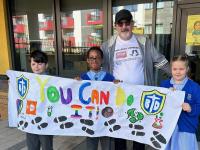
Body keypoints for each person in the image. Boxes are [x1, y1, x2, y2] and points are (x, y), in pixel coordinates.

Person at [101, 9, 170, 150]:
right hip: (118, 97)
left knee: (139, 130)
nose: (124, 26)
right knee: (119, 130)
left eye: (127, 23)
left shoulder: (144, 42)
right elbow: (98, 69)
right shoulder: (107, 46)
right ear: (116, 26)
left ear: (132, 24)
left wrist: (175, 75)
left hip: (141, 95)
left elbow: (159, 60)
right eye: (120, 24)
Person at [76, 46, 117, 150]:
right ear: (87, 60)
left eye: (97, 57)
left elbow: (115, 96)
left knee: (107, 144)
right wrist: (74, 84)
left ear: (102, 60)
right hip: (90, 118)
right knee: (91, 144)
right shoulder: (82, 78)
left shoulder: (110, 78)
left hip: (106, 118)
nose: (94, 60)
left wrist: (118, 86)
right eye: (91, 57)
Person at [160, 55, 200, 150]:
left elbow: (199, 106)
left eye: (181, 69)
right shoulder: (164, 85)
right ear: (171, 69)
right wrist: (167, 96)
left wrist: (190, 108)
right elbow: (158, 107)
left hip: (186, 128)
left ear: (187, 69)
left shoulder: (194, 87)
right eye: (175, 69)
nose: (178, 72)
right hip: (167, 128)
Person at [26, 50, 53, 150]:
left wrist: (76, 83)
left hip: (46, 119)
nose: (36, 66)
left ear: (46, 65)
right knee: (32, 145)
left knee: (47, 145)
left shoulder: (53, 80)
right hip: (30, 119)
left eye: (40, 63)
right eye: (33, 63)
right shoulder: (28, 79)